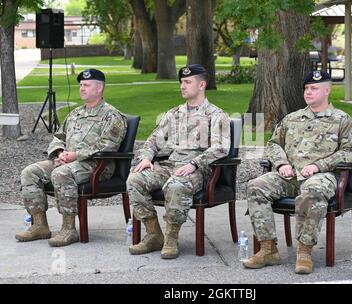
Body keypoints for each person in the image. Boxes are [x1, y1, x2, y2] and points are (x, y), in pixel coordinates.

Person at [243, 70, 352, 273]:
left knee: (313, 190)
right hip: (289, 176)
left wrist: (319, 166)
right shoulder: (292, 118)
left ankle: (304, 251)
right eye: (306, 88)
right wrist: (281, 164)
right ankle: (268, 248)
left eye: (314, 88)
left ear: (327, 90)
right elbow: (273, 144)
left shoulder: (342, 120)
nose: (308, 92)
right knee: (256, 186)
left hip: (321, 176)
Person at [127, 64, 230, 259]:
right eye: (182, 82)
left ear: (202, 85)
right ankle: (153, 234)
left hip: (197, 169)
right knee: (134, 179)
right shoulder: (173, 114)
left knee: (176, 185)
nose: (182, 86)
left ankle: (171, 237)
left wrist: (194, 164)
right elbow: (153, 140)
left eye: (188, 82)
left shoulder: (216, 115)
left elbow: (220, 148)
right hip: (170, 165)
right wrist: (147, 157)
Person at [15, 69, 127, 247]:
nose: (81, 88)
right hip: (67, 162)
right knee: (30, 172)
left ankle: (69, 229)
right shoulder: (75, 114)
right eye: (81, 85)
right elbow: (58, 137)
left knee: (61, 174)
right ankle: (39, 225)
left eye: (86, 85)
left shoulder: (112, 116)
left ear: (99, 88)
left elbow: (108, 145)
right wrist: (60, 153)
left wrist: (76, 155)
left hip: (97, 165)